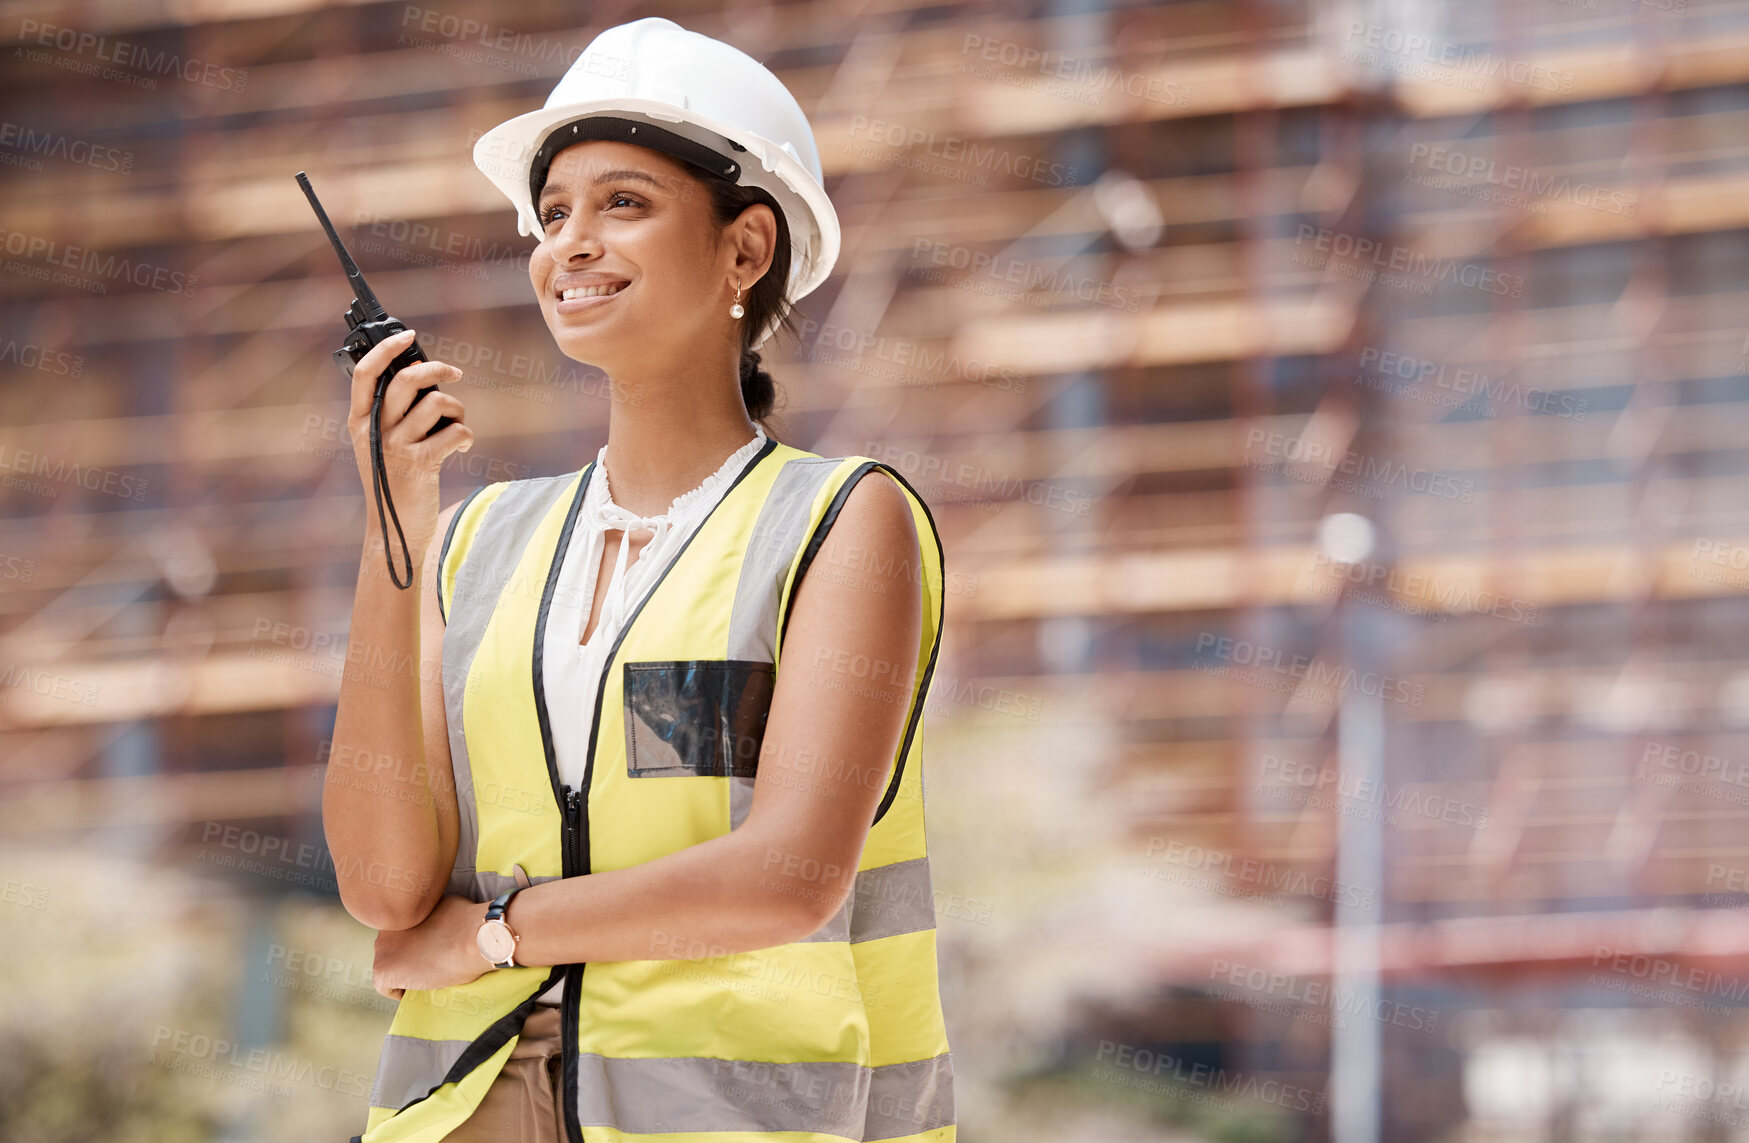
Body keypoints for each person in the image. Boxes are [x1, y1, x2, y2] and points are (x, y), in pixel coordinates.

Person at [321, 17, 956, 1143]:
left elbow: (787, 876)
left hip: (723, 1115)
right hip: (464, 1103)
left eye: (623, 203)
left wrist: (496, 933)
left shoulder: (838, 522)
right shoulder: (479, 539)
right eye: (553, 211)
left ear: (745, 251)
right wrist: (394, 521)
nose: (571, 241)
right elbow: (384, 893)